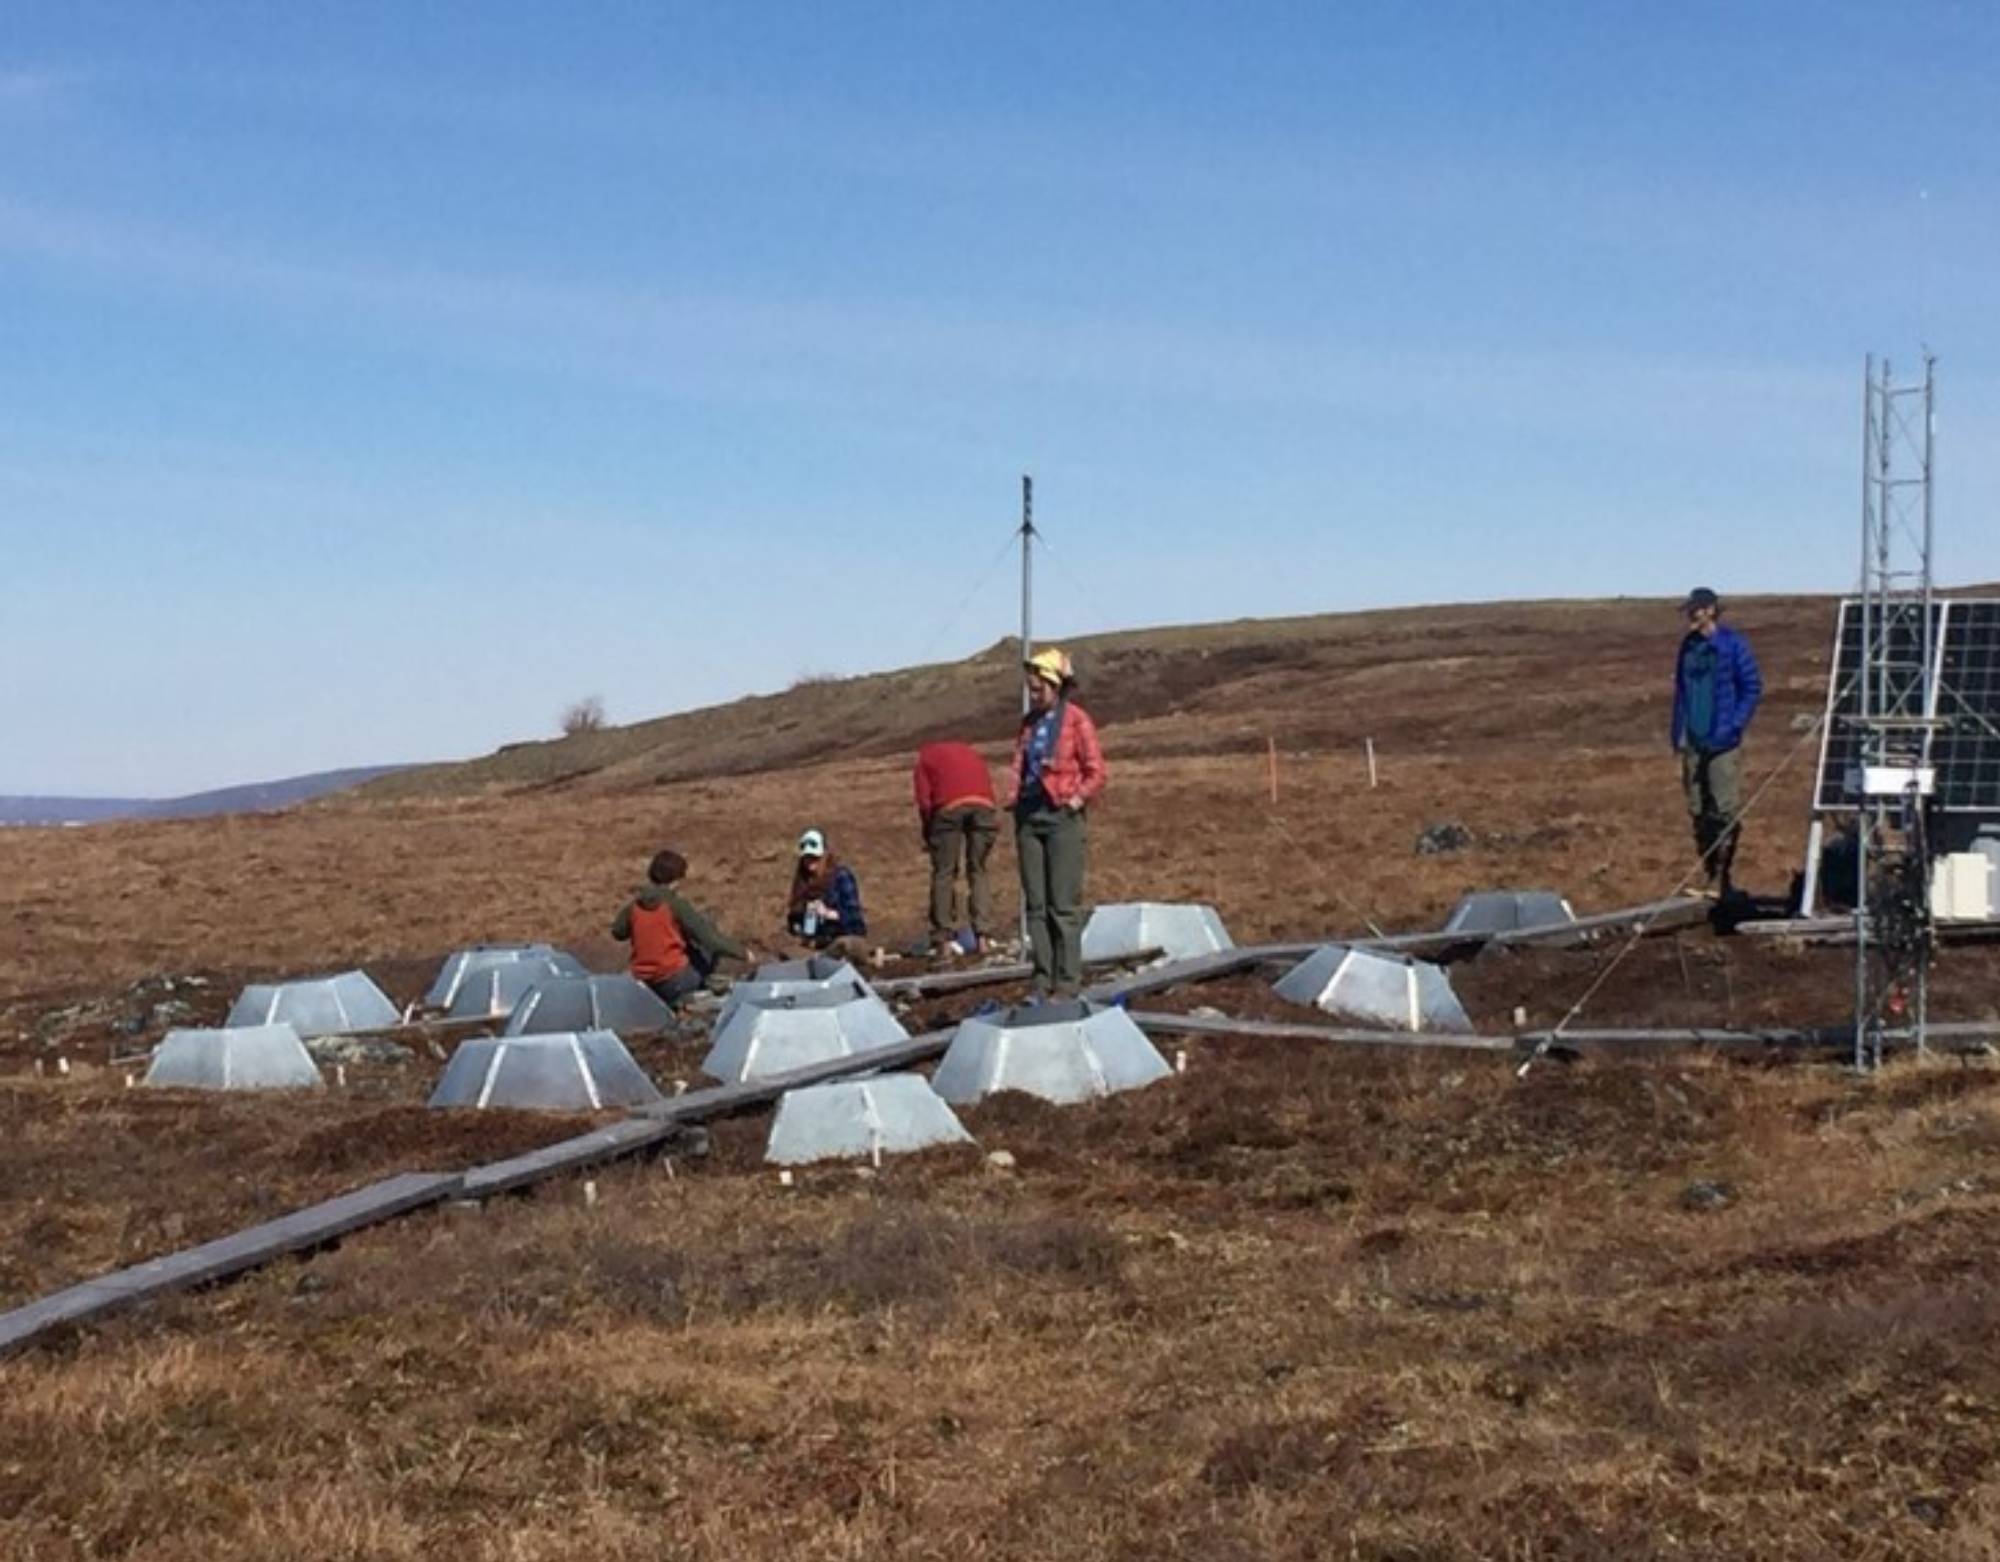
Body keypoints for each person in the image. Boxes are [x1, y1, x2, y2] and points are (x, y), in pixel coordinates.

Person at [1008, 647, 1107, 998]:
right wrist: (1014, 799)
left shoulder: (1077, 720)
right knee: (1036, 903)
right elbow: (1020, 763)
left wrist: (1076, 800)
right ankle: (1042, 977)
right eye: (1030, 689)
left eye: (1039, 689)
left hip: (1062, 816)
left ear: (1055, 686)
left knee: (1062, 903)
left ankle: (1066, 980)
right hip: (1028, 815)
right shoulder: (1028, 724)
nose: (1034, 695)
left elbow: (1096, 771)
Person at [1670, 587, 1763, 896]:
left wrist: (1733, 726)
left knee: (1724, 809)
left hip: (1722, 741)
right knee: (1698, 809)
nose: (1690, 616)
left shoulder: (1733, 644)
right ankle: (1708, 872)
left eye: (1695, 610)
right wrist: (1678, 733)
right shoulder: (1688, 646)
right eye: (1688, 610)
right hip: (1693, 739)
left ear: (1710, 610)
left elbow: (1752, 686)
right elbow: (1681, 691)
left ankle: (1723, 877)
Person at [611, 849, 752, 1006]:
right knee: (707, 925)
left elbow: (618, 932)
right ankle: (695, 992)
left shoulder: (634, 906)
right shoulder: (675, 905)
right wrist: (743, 953)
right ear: (677, 879)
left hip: (642, 981)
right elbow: (710, 939)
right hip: (674, 981)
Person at [913, 739, 999, 956]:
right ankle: (983, 936)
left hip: (949, 808)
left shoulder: (925, 758)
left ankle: (943, 939)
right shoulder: (971, 753)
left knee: (945, 872)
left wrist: (929, 832)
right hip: (983, 805)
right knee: (978, 869)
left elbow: (925, 802)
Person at [787, 828, 867, 950]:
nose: (810, 862)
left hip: (844, 940)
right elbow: (794, 921)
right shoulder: (803, 882)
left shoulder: (841, 877)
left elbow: (855, 920)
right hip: (815, 943)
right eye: (807, 858)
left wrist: (828, 913)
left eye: (815, 857)